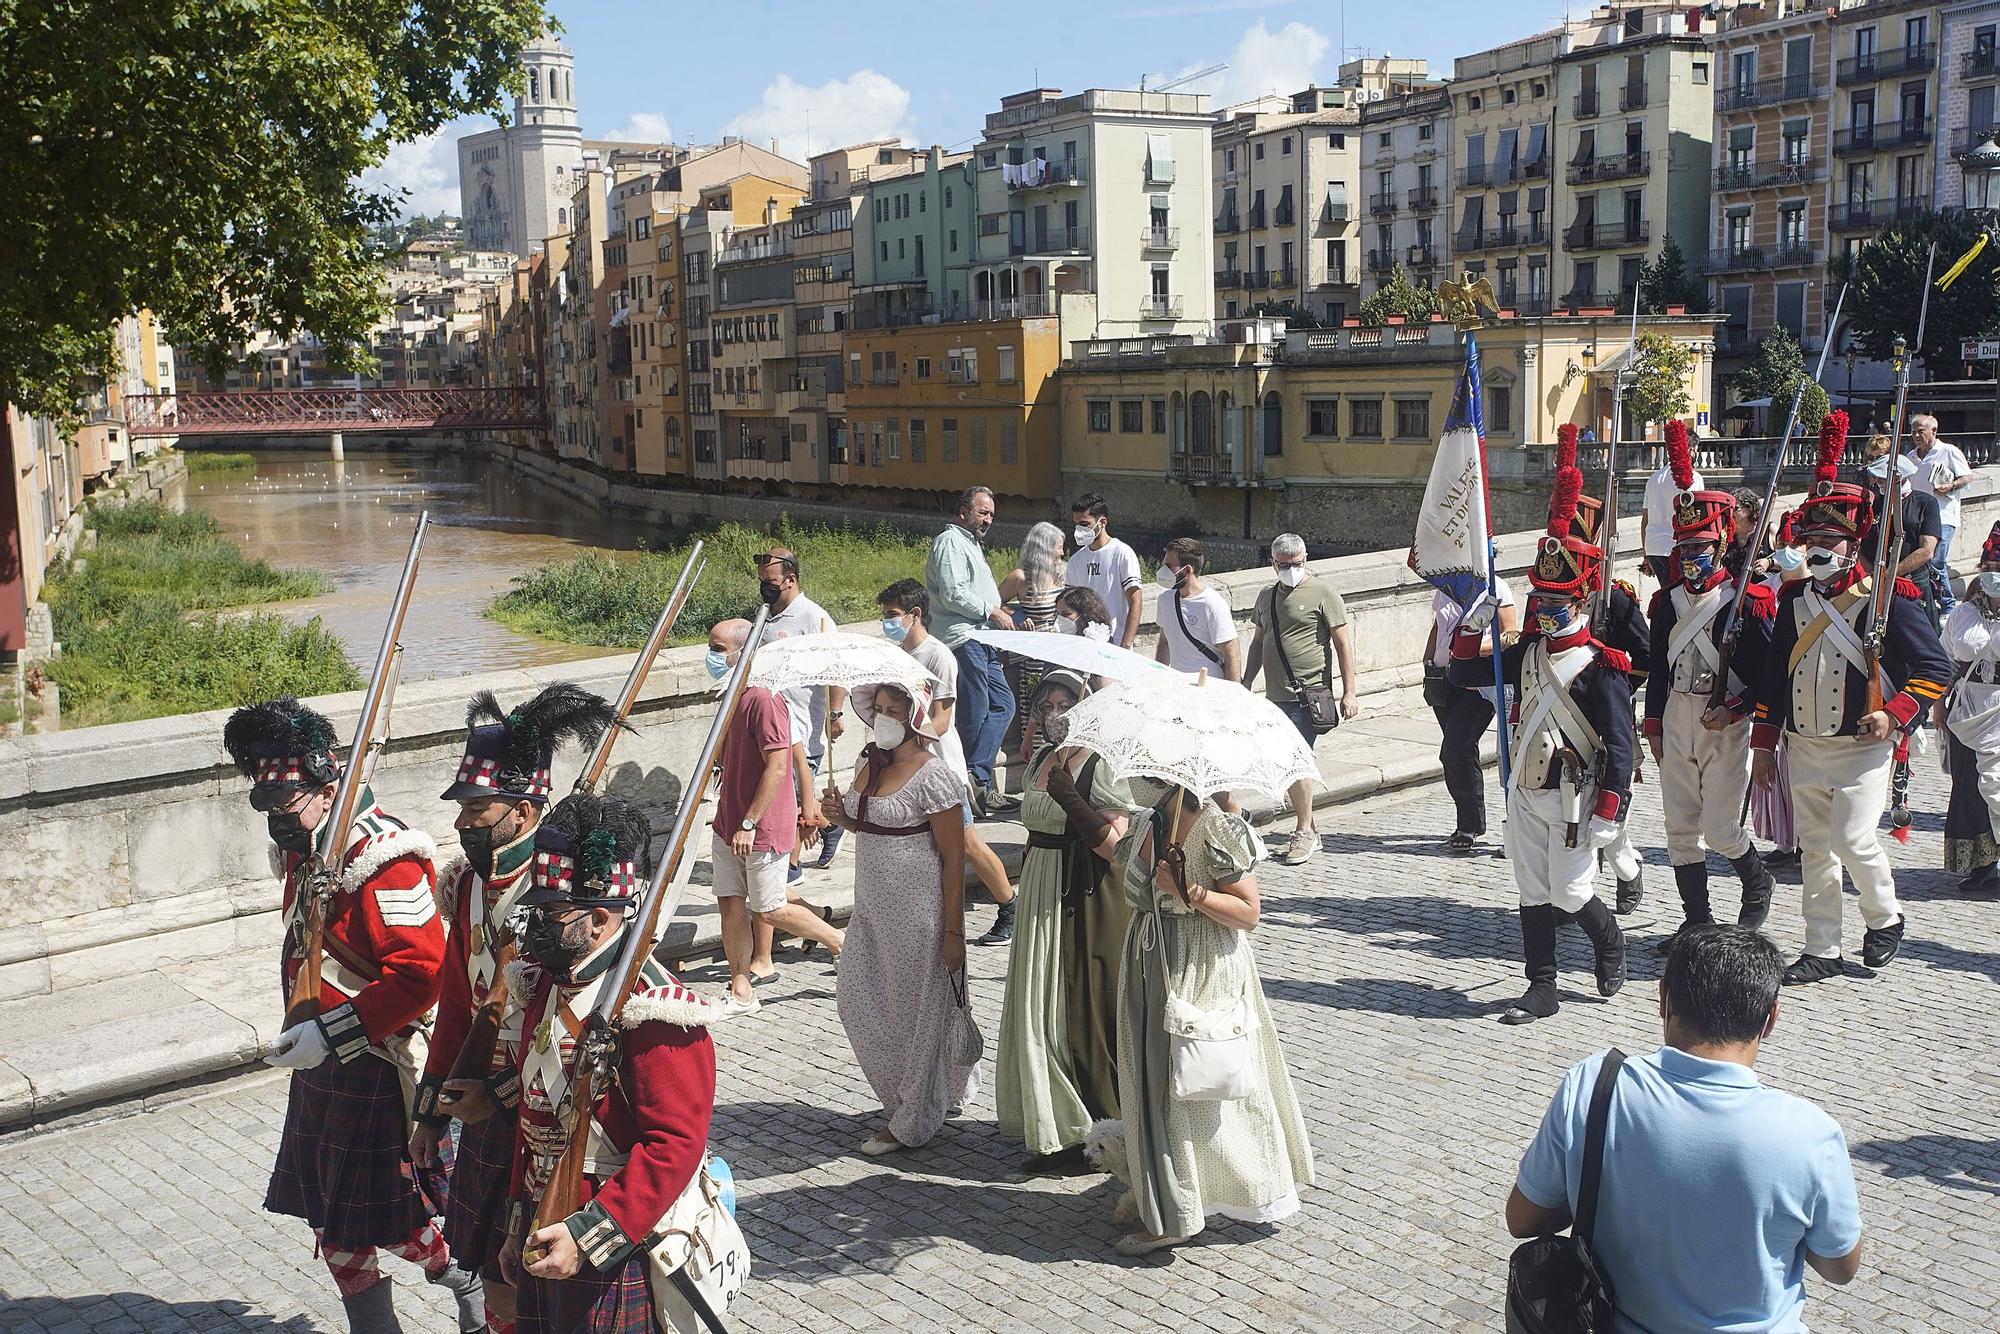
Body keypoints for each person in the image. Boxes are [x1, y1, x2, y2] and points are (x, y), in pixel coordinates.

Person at [221, 697, 484, 1333]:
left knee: (390, 1218)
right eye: (268, 803)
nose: (277, 817)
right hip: (323, 1059)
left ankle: (467, 1280)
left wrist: (330, 1030)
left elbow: (422, 975)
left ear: (325, 783)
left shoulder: (385, 859)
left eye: (286, 801)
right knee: (331, 1219)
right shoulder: (311, 846)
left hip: (374, 1059)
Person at [1508, 926, 1865, 1331]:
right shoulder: (1810, 1134)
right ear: (1770, 1019)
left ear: (1663, 999)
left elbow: (1524, 1219)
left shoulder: (1594, 1084)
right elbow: (1840, 1267)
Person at [412, 683, 621, 1334]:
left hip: (543, 1114)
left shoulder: (559, 898)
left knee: (529, 1290)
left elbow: (575, 1028)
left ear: (524, 814)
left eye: (478, 807)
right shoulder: (470, 885)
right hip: (483, 1104)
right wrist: (430, 1110)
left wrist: (497, 1096)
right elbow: (455, 1003)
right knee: (494, 1281)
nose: (462, 821)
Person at [495, 794, 721, 1333]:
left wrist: (592, 1234)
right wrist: (514, 1219)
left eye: (550, 914)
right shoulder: (546, 983)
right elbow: (534, 1118)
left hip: (608, 1232)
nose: (534, 926)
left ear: (598, 919)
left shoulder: (655, 1008)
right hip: (541, 1209)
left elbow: (675, 1144)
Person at [1751, 413, 1950, 985]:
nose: (1817, 549)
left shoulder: (1885, 599)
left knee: (1853, 838)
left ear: (1851, 542)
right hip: (1803, 745)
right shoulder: (1793, 603)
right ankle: (1822, 946)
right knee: (1815, 847)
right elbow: (1773, 681)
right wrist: (1765, 745)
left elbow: (1934, 667)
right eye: (1812, 539)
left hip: (1862, 748)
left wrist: (1895, 714)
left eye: (1829, 539)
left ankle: (1885, 916)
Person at [1092, 782, 1315, 1257]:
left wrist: (1188, 890)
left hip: (1200, 965)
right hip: (1149, 960)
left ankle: (1182, 1211)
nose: (1136, 778)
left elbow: (1249, 913)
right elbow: (1120, 864)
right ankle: (1171, 1202)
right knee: (1154, 1087)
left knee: (1198, 1083)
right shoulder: (1151, 820)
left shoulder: (1216, 827)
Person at [1451, 457, 1632, 1025]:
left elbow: (1620, 744)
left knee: (1573, 894)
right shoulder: (1527, 651)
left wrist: (1610, 810)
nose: (1545, 612)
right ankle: (1542, 987)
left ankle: (1609, 942)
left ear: (1578, 602)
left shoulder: (1601, 667)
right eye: (1541, 602)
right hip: (1525, 791)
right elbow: (1463, 673)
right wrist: (1474, 624)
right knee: (1532, 891)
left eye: (1556, 604)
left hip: (1576, 797)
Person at [821, 683, 981, 1155]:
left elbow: (955, 858)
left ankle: (911, 1116)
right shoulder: (869, 762)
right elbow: (865, 823)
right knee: (859, 1001)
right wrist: (839, 814)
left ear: (915, 714)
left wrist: (954, 932)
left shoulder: (937, 777)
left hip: (919, 913)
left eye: (895, 710)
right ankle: (929, 1090)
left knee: (919, 1015)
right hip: (870, 907)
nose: (884, 717)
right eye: (880, 709)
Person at [1643, 429, 1778, 949]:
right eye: (1684, 547)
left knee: (1721, 829)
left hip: (1726, 722)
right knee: (1680, 828)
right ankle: (1695, 920)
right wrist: (1653, 725)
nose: (1691, 556)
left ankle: (1755, 879)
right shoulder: (1666, 603)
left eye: (1700, 546)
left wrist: (1738, 708)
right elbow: (1658, 668)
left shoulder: (1745, 601)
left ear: (1720, 543)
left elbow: (1768, 673)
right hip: (1677, 715)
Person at [994, 670, 1135, 1169]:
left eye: (1065, 703)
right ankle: (1054, 1120)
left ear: (1085, 707)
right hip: (1039, 888)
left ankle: (1095, 1130)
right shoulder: (1037, 758)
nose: (1054, 712)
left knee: (1077, 1009)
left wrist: (1070, 797)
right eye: (1046, 704)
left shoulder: (1102, 763)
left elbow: (1116, 848)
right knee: (1040, 1007)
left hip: (1084, 893)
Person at [707, 619, 843, 1017]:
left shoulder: (764, 700)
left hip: (759, 825)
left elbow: (778, 766)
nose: (711, 656)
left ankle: (841, 944)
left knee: (769, 908)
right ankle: (741, 988)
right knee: (730, 904)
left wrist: (750, 822)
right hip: (727, 821)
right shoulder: (731, 696)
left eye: (717, 648)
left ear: (740, 652)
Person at [878, 579, 1020, 946]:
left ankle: (1009, 905)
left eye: (892, 615)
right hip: (910, 769)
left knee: (967, 843)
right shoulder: (898, 655)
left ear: (915, 614)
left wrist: (909, 736)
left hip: (942, 768)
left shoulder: (938, 655)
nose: (887, 622)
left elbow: (943, 717)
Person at [1243, 533, 1359, 867]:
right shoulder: (1266, 596)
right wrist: (1246, 681)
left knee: (1297, 760)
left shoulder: (1323, 592)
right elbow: (1257, 643)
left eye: (1296, 564)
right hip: (1274, 696)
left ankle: (1304, 830)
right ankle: (1309, 827)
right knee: (1287, 762)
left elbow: (1343, 644)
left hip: (1308, 694)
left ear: (1305, 558)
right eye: (1284, 565)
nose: (1291, 569)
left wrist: (1349, 691)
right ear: (1273, 563)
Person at [925, 485, 1019, 816]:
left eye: (991, 514)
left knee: (1004, 706)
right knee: (975, 713)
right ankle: (971, 784)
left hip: (983, 638)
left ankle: (978, 776)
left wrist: (1002, 613)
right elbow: (953, 595)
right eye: (982, 512)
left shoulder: (970, 544)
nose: (988, 520)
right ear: (963, 511)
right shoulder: (950, 542)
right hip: (964, 638)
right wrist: (992, 611)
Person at [755, 547, 839, 879]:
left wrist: (835, 713)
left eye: (771, 581)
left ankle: (791, 866)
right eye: (762, 581)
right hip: (772, 725)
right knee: (788, 795)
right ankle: (829, 826)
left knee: (787, 798)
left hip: (802, 725)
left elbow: (835, 668)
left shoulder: (813, 617)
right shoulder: (765, 615)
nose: (765, 587)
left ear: (791, 579)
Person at [1424, 576, 1519, 852]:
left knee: (1457, 745)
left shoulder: (1496, 587)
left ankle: (1470, 824)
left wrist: (1472, 649)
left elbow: (1510, 635)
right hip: (1443, 677)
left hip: (1477, 680)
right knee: (1456, 753)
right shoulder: (1447, 586)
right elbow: (1438, 626)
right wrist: (1428, 658)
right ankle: (1469, 820)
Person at [1939, 526, 2000, 893]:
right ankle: (1984, 862)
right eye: (1990, 564)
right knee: (1970, 788)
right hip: (1966, 706)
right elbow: (1946, 658)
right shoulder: (1964, 613)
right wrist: (1938, 706)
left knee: (1997, 785)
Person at [998, 520, 1068, 767]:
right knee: (1038, 710)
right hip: (1033, 657)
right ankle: (1037, 766)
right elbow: (995, 604)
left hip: (1060, 653)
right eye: (1057, 548)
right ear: (1042, 549)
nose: (1061, 553)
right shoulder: (1020, 578)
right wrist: (1018, 617)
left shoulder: (1063, 574)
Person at [1905, 413, 1974, 614]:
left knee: (1935, 560)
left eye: (1920, 431)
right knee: (1922, 561)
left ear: (1933, 431)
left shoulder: (1948, 451)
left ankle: (1948, 605)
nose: (1916, 435)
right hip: (1919, 517)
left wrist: (1951, 486)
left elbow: (1968, 476)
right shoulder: (1911, 457)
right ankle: (1930, 601)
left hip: (1944, 516)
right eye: (1913, 432)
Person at [1153, 537, 1241, 679]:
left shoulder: (1212, 604)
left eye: (1169, 566)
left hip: (1208, 686)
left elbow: (1232, 654)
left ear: (1187, 570)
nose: (1163, 571)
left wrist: (1234, 694)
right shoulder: (1165, 599)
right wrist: (1157, 678)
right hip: (1178, 685)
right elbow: (1164, 642)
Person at [1065, 492, 1145, 649]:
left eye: (1084, 524)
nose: (1079, 529)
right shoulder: (1076, 560)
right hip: (1085, 643)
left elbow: (1136, 602)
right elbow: (1070, 604)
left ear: (1102, 522)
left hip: (1115, 642)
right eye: (1076, 524)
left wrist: (1126, 644)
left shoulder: (1121, 553)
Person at [1642, 446, 1705, 585]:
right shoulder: (1694, 478)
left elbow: (1645, 518)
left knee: (1667, 592)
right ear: (1691, 449)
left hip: (1653, 547)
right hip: (1676, 547)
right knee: (1677, 597)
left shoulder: (1653, 478)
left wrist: (1645, 552)